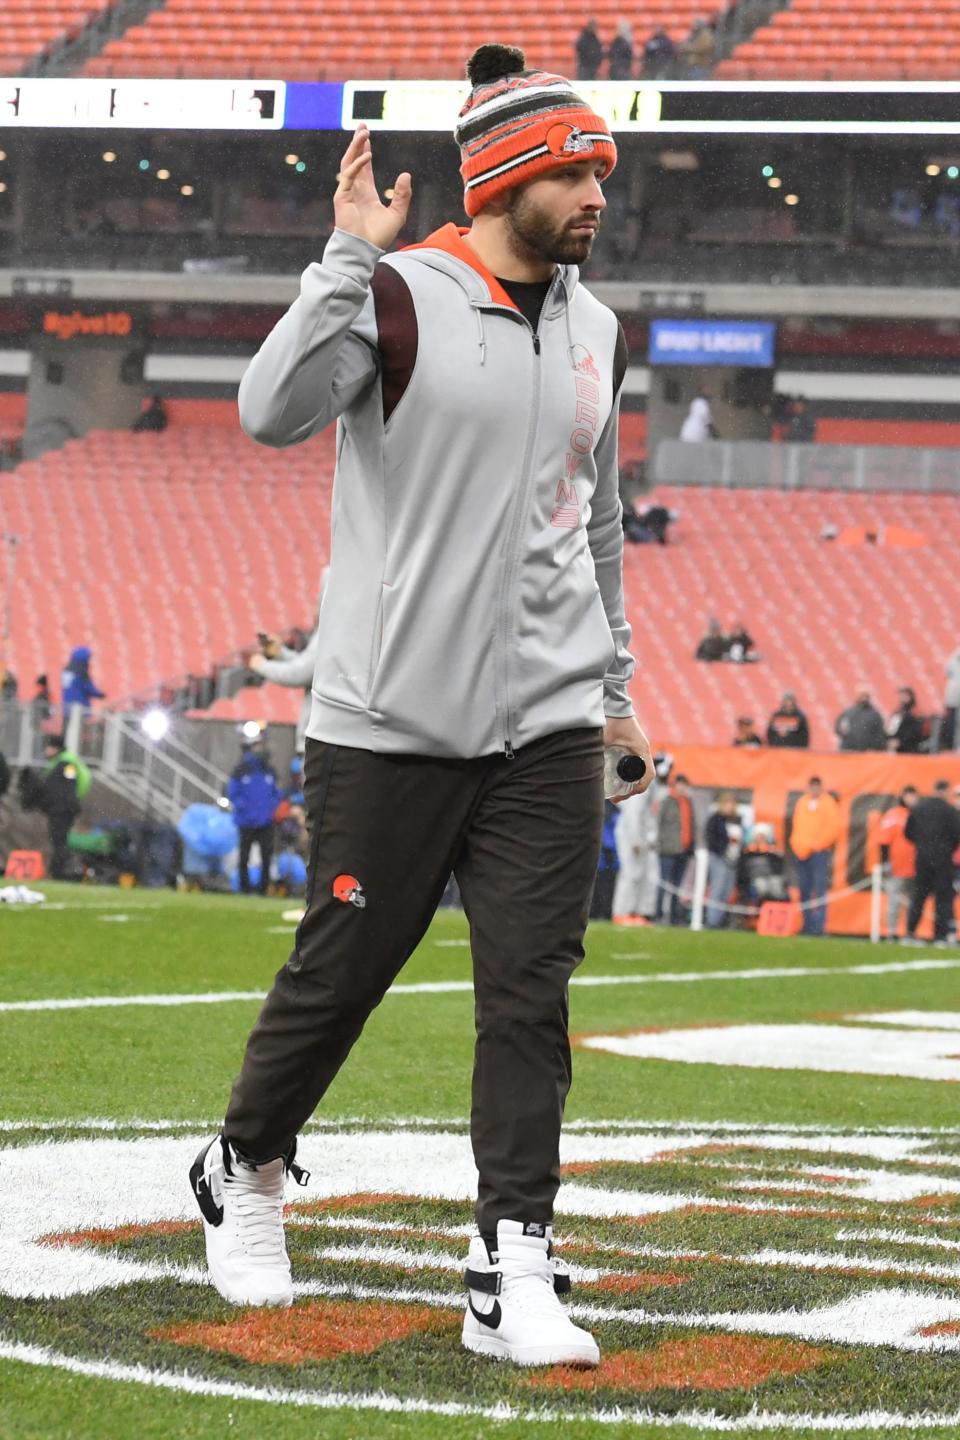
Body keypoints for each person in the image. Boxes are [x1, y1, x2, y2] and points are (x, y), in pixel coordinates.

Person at [189, 43, 652, 1374]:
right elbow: (268, 412)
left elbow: (596, 524)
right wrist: (341, 261)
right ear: (507, 176)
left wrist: (613, 694)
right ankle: (247, 1164)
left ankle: (513, 1259)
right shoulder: (394, 296)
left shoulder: (597, 328)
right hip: (388, 719)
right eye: (574, 170)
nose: (596, 196)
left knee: (530, 992)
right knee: (342, 973)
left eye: (601, 172)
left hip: (551, 723)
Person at [248, 577, 327, 756]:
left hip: (319, 740)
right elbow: (310, 666)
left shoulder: (329, 633)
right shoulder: (334, 631)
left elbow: (299, 674)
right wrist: (280, 653)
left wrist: (261, 665)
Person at [225, 730, 282, 896]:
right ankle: (244, 888)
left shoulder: (269, 770)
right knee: (244, 856)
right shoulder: (240, 770)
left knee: (266, 857)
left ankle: (263, 889)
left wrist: (269, 809)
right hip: (246, 821)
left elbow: (276, 793)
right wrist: (246, 810)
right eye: (257, 745)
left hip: (265, 821)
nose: (260, 749)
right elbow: (233, 793)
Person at [904, 780, 960, 945]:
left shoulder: (919, 808)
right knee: (943, 898)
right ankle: (941, 935)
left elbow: (908, 832)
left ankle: (910, 932)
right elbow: (958, 834)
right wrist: (946, 847)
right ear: (945, 791)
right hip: (943, 859)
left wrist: (922, 845)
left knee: (919, 896)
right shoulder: (950, 811)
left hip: (922, 858)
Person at [612, 757, 665, 923]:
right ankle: (622, 912)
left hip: (641, 836)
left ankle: (637, 912)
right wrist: (635, 840)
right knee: (631, 873)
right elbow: (633, 816)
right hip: (631, 835)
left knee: (644, 875)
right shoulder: (641, 785)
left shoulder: (653, 787)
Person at [789, 776, 840, 937]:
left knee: (820, 889)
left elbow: (833, 828)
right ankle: (807, 924)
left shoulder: (828, 803)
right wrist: (797, 845)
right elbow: (797, 826)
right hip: (801, 852)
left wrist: (817, 845)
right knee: (804, 888)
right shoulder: (802, 802)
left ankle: (819, 926)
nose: (814, 790)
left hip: (819, 852)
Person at [38, 734, 91, 879]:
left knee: (59, 840)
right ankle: (58, 871)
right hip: (59, 809)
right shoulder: (59, 762)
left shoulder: (66, 764)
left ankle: (61, 871)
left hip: (62, 809)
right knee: (58, 840)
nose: (46, 750)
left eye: (48, 747)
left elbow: (68, 787)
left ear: (55, 748)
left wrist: (63, 805)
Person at [879, 786, 918, 941]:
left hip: (915, 866)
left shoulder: (917, 814)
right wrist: (885, 862)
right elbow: (883, 841)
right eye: (909, 796)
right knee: (894, 901)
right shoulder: (893, 814)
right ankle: (891, 932)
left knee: (913, 902)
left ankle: (909, 932)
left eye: (913, 796)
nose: (911, 799)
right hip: (897, 866)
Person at [656, 772, 695, 925]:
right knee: (664, 884)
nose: (683, 788)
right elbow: (659, 823)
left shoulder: (687, 803)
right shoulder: (667, 802)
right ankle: (658, 914)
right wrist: (660, 843)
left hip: (683, 850)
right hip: (668, 849)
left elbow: (691, 825)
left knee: (677, 886)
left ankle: (673, 917)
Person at [705, 790, 742, 928]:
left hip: (733, 860)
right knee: (717, 890)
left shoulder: (737, 820)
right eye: (727, 803)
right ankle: (712, 921)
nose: (730, 806)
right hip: (720, 858)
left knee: (727, 891)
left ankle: (719, 920)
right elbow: (711, 838)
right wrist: (721, 851)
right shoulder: (716, 819)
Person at [835, 686, 886, 752]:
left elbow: (880, 734)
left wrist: (875, 748)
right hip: (848, 750)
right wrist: (841, 730)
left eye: (865, 695)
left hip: (866, 751)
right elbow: (838, 727)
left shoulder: (875, 715)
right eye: (861, 695)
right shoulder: (848, 712)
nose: (863, 698)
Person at [61, 646, 105, 712]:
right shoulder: (80, 671)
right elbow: (88, 687)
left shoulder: (67, 670)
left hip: (67, 708)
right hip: (80, 708)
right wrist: (100, 695)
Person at [887, 686, 925, 754]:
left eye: (904, 695)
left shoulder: (916, 711)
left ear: (910, 696)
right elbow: (892, 729)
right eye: (901, 695)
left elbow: (915, 732)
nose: (902, 698)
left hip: (911, 749)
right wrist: (891, 739)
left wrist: (900, 741)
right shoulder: (898, 712)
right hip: (898, 749)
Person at [941, 644, 960, 750]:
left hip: (953, 697)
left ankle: (954, 746)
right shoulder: (954, 660)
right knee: (952, 724)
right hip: (953, 698)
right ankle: (952, 746)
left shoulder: (953, 661)